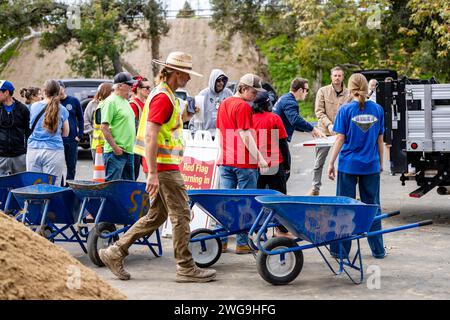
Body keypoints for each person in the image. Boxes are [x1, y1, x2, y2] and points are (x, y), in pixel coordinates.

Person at [99, 51, 216, 283]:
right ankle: (185, 267)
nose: (189, 78)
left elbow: (164, 130)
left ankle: (114, 251)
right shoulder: (163, 97)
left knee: (155, 216)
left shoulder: (165, 94)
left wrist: (186, 116)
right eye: (187, 74)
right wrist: (152, 173)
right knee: (181, 214)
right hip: (163, 168)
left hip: (163, 166)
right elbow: (152, 136)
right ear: (176, 73)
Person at [327, 73, 386, 259]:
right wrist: (381, 163)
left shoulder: (345, 110)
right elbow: (380, 140)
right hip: (371, 165)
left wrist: (331, 162)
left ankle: (340, 251)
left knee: (344, 207)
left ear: (350, 87)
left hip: (348, 165)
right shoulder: (377, 110)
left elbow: (340, 138)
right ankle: (378, 250)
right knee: (373, 206)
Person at [216, 73, 269, 254]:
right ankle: (242, 242)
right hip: (244, 162)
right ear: (243, 88)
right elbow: (245, 134)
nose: (255, 96)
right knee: (245, 204)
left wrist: (221, 154)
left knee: (224, 203)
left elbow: (220, 132)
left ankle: (220, 241)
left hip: (225, 160)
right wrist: (260, 158)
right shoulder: (243, 107)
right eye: (253, 92)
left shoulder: (224, 104)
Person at [252, 91, 294, 238]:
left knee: (258, 197)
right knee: (279, 197)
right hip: (274, 163)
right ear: (267, 104)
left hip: (256, 164)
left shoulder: (250, 119)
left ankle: (258, 230)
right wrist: (288, 164)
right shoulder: (274, 118)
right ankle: (281, 229)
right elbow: (283, 143)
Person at [309, 66, 351, 196]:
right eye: (335, 75)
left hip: (343, 133)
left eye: (339, 75)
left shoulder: (349, 93)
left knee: (346, 161)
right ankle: (315, 188)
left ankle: (347, 190)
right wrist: (329, 125)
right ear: (331, 77)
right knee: (319, 162)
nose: (337, 78)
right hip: (324, 132)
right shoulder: (323, 91)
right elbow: (319, 112)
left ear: (343, 77)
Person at [272, 78, 325, 180]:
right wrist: (312, 129)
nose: (307, 93)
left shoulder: (285, 98)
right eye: (307, 90)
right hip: (276, 141)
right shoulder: (290, 102)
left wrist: (310, 130)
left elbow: (292, 122)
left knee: (278, 173)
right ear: (301, 90)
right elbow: (295, 120)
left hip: (274, 139)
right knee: (283, 173)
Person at [27, 80, 69, 186]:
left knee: (34, 187)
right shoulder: (62, 109)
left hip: (33, 150)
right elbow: (66, 133)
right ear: (58, 91)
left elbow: (29, 127)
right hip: (54, 151)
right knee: (52, 188)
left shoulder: (33, 107)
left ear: (44, 91)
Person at [100, 73, 137, 181]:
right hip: (116, 153)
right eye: (129, 84)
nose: (131, 87)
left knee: (129, 188)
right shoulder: (111, 102)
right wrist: (115, 148)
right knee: (113, 186)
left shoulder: (125, 101)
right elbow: (104, 127)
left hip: (128, 151)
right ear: (120, 85)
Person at [189, 69, 233, 138]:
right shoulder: (203, 94)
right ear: (213, 81)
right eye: (218, 80)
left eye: (223, 80)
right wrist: (195, 133)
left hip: (223, 136)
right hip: (206, 136)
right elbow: (196, 117)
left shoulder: (228, 94)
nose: (221, 83)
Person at [0, 80, 30, 175]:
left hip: (19, 157)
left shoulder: (23, 109)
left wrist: (26, 151)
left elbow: (28, 132)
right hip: (1, 157)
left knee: (20, 187)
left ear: (6, 93)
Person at [58, 81, 83, 184]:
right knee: (58, 166)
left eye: (60, 88)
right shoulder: (54, 103)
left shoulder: (74, 101)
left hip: (72, 139)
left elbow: (81, 119)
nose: (59, 91)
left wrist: (79, 135)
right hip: (58, 140)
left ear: (64, 88)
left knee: (71, 165)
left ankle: (69, 186)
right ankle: (59, 186)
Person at [129, 76, 151, 180]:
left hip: (144, 143)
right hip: (135, 145)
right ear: (138, 89)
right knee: (134, 174)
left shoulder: (145, 103)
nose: (149, 90)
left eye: (149, 88)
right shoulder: (134, 104)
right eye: (146, 88)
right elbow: (132, 127)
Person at [84, 83, 113, 160]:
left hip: (111, 143)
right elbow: (86, 121)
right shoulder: (92, 104)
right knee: (98, 168)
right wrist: (93, 133)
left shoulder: (113, 104)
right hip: (97, 143)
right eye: (112, 91)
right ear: (106, 92)